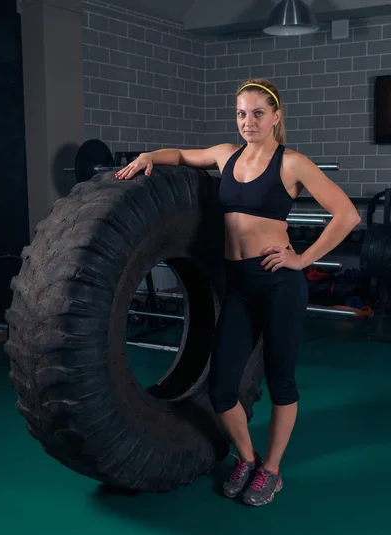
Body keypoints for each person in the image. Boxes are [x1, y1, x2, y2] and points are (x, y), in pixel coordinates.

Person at [115, 78, 361, 506]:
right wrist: (148, 157)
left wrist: (301, 260)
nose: (248, 122)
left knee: (281, 382)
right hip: (240, 286)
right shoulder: (226, 155)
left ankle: (271, 470)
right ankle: (246, 459)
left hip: (279, 284)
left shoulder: (292, 164)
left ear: (276, 116)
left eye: (258, 113)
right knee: (222, 388)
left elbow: (347, 215)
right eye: (241, 113)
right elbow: (180, 155)